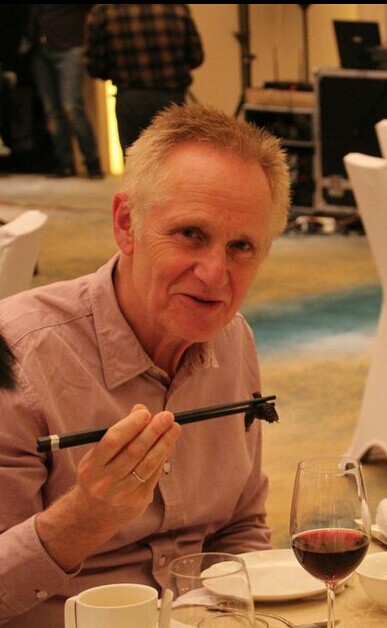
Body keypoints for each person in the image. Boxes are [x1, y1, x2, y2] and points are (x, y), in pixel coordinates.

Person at [0, 103, 291, 626]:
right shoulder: (19, 357)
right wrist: (84, 518)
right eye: (190, 234)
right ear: (126, 223)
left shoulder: (234, 340)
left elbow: (242, 527)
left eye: (241, 246)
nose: (214, 274)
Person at [85, 4, 204, 154]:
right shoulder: (176, 8)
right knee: (173, 157)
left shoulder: (105, 11)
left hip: (130, 98)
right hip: (171, 97)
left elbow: (96, 66)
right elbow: (196, 57)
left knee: (135, 161)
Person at [25, 5, 103, 178]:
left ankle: (92, 162)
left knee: (72, 106)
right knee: (52, 110)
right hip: (40, 47)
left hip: (69, 46)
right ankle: (64, 163)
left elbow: (93, 11)